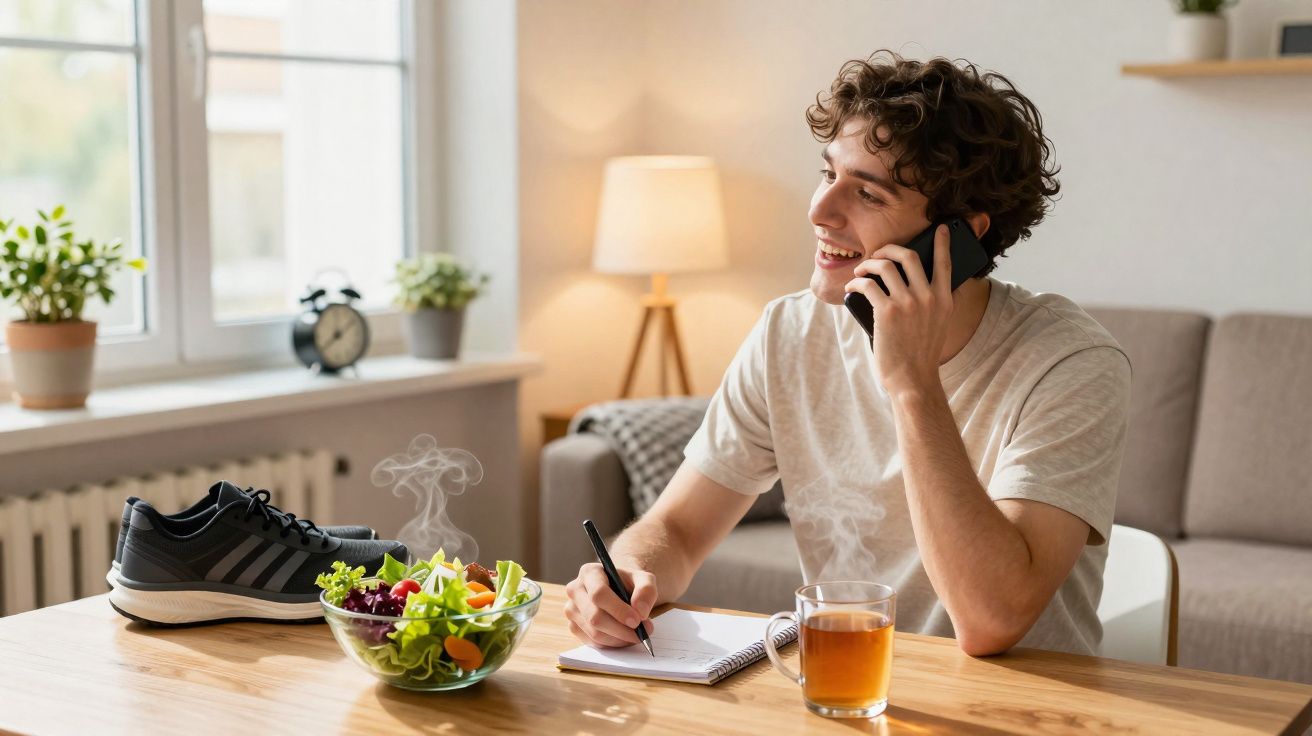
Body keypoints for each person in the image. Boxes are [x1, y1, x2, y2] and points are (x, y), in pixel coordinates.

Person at [564, 50, 1131, 657]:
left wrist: (911, 382)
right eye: (828, 173)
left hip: (1022, 708)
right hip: (843, 694)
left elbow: (991, 620)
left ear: (958, 236)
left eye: (868, 194)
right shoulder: (791, 332)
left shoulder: (1070, 362)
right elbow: (676, 529)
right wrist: (625, 575)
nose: (819, 211)